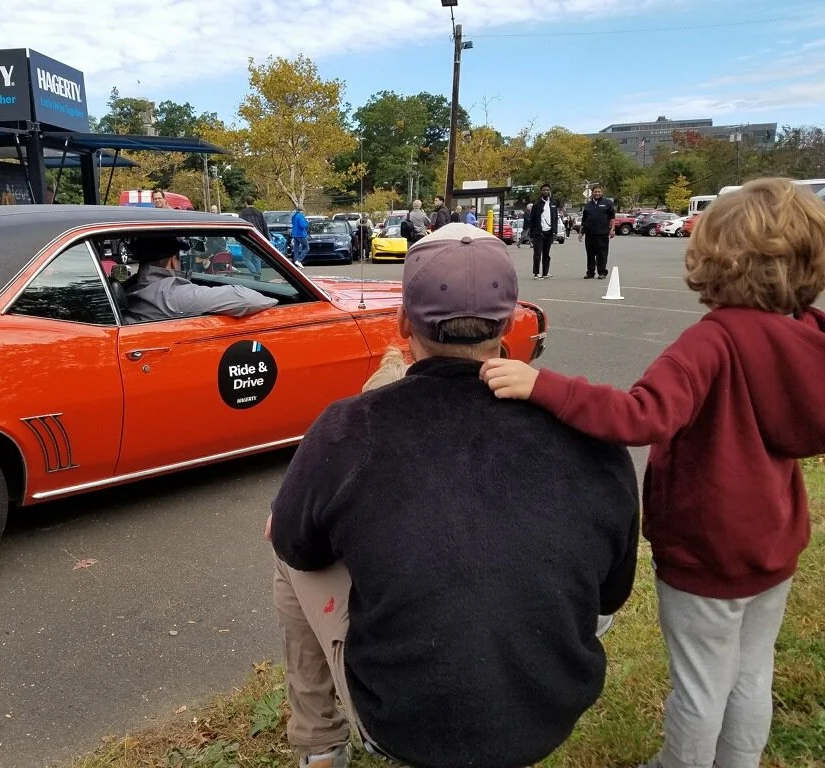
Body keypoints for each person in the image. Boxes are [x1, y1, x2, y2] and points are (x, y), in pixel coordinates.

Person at [481, 178, 825, 768]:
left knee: (700, 684)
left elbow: (641, 416)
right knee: (750, 672)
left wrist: (543, 384)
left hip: (708, 548)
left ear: (716, 257)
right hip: (776, 541)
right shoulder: (809, 339)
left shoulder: (712, 341)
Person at [268, 223, 640, 768]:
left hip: (402, 725)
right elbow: (611, 595)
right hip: (550, 712)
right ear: (512, 323)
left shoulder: (350, 427)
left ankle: (320, 746)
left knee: (283, 547)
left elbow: (299, 548)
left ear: (401, 323)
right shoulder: (587, 427)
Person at [123, 236, 278, 321]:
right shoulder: (172, 295)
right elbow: (246, 299)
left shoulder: (131, 288)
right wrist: (276, 300)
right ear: (173, 260)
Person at [580, 185, 616, 279]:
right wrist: (581, 233)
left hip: (602, 233)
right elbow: (584, 220)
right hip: (590, 233)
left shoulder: (607, 203)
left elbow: (612, 218)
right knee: (590, 254)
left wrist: (612, 230)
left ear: (602, 192)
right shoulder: (588, 205)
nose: (597, 193)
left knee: (602, 254)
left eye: (599, 192)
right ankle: (590, 272)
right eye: (595, 192)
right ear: (592, 193)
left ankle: (602, 272)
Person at [528, 184, 556, 279]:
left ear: (550, 191)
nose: (546, 192)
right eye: (544, 190)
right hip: (538, 233)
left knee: (546, 254)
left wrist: (554, 231)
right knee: (537, 253)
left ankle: (545, 272)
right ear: (541, 191)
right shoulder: (536, 205)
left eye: (547, 190)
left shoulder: (552, 204)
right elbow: (532, 220)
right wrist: (531, 234)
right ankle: (536, 273)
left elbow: (555, 218)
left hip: (549, 232)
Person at [291, 205, 310, 269]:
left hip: (295, 234)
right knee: (306, 248)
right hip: (301, 234)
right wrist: (307, 222)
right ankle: (299, 260)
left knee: (296, 249)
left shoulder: (294, 216)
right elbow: (303, 225)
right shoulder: (301, 216)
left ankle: (296, 264)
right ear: (303, 209)